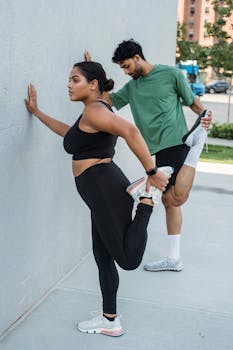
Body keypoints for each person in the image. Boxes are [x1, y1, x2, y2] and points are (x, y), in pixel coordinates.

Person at [24, 61, 171, 336]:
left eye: (75, 79)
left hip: (105, 190)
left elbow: (131, 131)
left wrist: (151, 172)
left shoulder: (94, 110)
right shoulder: (95, 110)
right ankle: (109, 319)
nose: (68, 84)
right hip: (101, 191)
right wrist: (37, 112)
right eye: (69, 79)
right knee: (102, 256)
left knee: (126, 260)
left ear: (93, 85)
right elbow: (69, 134)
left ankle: (147, 200)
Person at [84, 39, 212, 272]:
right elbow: (107, 102)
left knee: (177, 198)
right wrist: (92, 81)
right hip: (158, 151)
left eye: (126, 66)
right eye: (122, 68)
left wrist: (204, 114)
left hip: (177, 140)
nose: (125, 71)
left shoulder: (171, 74)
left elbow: (192, 101)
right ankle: (174, 259)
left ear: (137, 57)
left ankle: (190, 148)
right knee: (169, 200)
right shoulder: (132, 89)